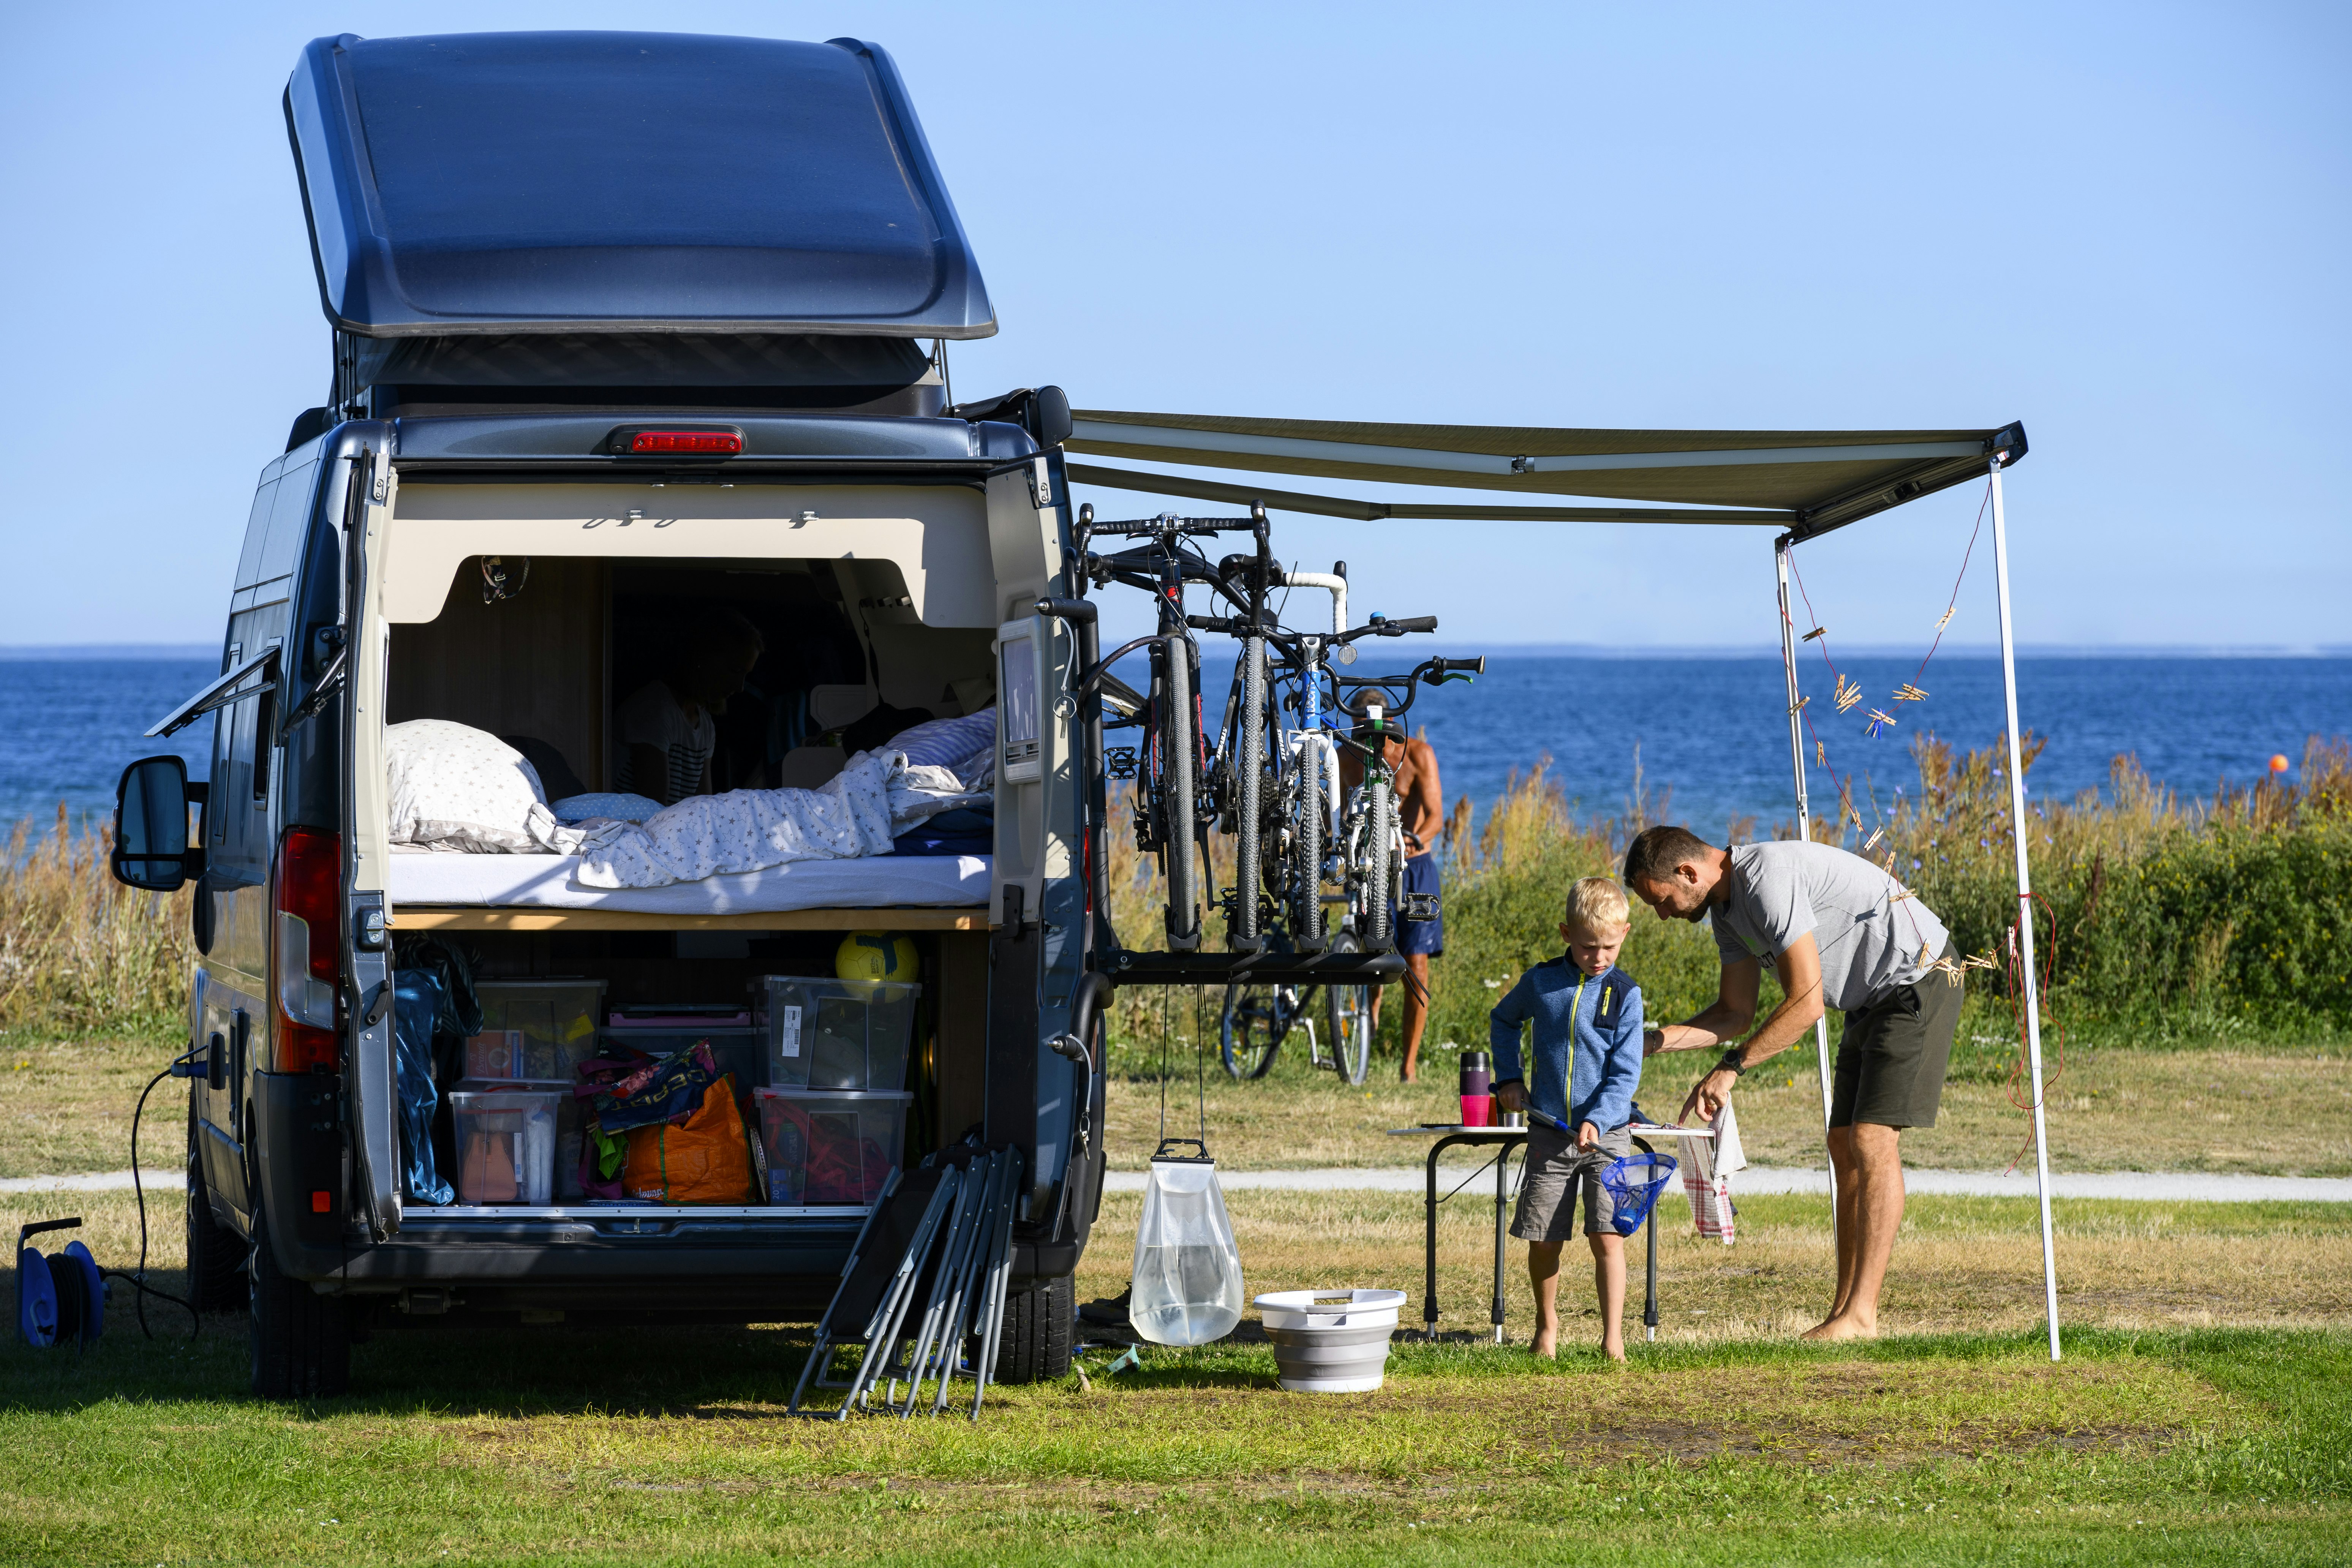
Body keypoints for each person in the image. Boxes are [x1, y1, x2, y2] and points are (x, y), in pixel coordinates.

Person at [1621, 824, 1962, 1342]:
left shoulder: (1764, 879)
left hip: (1918, 978)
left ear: (1688, 873)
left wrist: (1731, 1069)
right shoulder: (1728, 910)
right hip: (1869, 999)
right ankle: (1844, 1311)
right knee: (1842, 1145)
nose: (1663, 915)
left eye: (1662, 901)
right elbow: (1735, 1013)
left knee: (1872, 1140)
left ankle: (1862, 1317)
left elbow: (1805, 1002)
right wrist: (1648, 1042)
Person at [1489, 877, 1645, 1361]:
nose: (1599, 958)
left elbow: (1625, 1075)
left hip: (1608, 1140)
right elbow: (1503, 1020)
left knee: (1607, 1235)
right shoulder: (1541, 983)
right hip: (1550, 1136)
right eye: (1587, 947)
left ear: (1625, 935)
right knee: (1543, 1239)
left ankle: (1613, 1339)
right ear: (1566, 934)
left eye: (1609, 948)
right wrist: (1510, 1078)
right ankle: (1546, 1328)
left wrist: (1598, 1120)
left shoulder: (1626, 995)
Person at [1341, 694, 1446, 1082]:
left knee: (1416, 965)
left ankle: (1409, 1066)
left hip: (1414, 865)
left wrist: (1416, 839)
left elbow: (1436, 815)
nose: (1367, 738)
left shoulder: (1418, 754)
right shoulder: (1344, 757)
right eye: (1358, 729)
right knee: (1371, 960)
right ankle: (1362, 1048)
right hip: (1368, 867)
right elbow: (1333, 812)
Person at [615, 612, 765, 805]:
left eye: (745, 674)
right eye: (734, 671)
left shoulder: (705, 726)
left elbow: (703, 805)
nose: (740, 687)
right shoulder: (654, 711)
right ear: (703, 658)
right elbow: (654, 807)